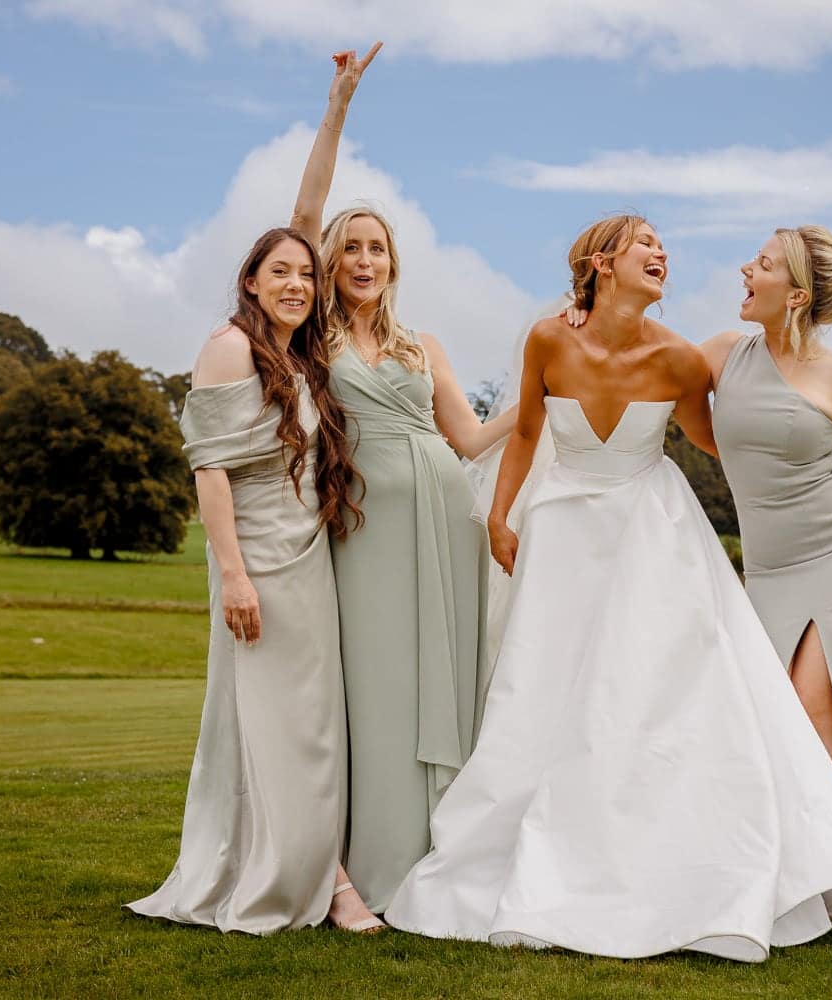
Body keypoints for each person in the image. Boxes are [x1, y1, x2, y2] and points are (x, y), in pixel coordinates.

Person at [384, 215, 832, 961]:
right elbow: (524, 433)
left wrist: (806, 486)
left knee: (659, 691)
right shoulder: (548, 339)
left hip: (655, 536)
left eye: (662, 245)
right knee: (544, 692)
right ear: (600, 261)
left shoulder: (683, 360)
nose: (662, 253)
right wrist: (498, 515)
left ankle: (684, 856)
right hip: (561, 535)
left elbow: (728, 441)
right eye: (645, 242)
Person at [289, 45, 513, 915]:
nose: (364, 259)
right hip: (368, 526)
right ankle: (374, 865)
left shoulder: (427, 347)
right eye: (351, 248)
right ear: (330, 262)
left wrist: (547, 388)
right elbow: (302, 213)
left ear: (393, 262)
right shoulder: (317, 338)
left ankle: (445, 862)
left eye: (377, 247)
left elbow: (469, 438)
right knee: (377, 686)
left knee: (449, 683)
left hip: (447, 519)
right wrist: (338, 105)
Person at [126, 227, 380, 933]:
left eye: (306, 273)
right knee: (283, 721)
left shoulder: (295, 355)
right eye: (281, 272)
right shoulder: (230, 346)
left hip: (307, 553)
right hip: (257, 560)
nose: (296, 284)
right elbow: (209, 470)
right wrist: (234, 576)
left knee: (312, 722)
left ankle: (307, 865)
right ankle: (330, 883)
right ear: (251, 281)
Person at [702, 225, 832, 919]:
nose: (745, 269)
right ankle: (799, 868)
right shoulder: (721, 354)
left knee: (818, 708)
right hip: (768, 565)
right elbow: (640, 363)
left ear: (794, 294)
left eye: (759, 265)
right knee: (775, 716)